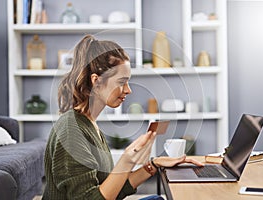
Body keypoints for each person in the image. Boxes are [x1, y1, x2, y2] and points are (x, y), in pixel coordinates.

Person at [42, 34, 203, 200]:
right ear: (96, 82)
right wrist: (126, 161)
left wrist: (153, 165)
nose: (128, 90)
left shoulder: (89, 124)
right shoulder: (71, 129)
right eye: (121, 82)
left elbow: (112, 190)